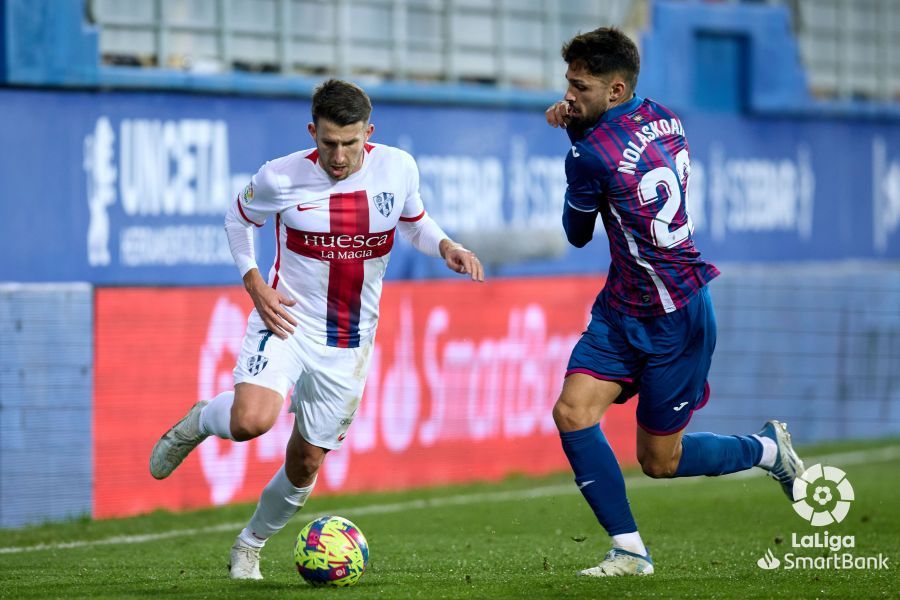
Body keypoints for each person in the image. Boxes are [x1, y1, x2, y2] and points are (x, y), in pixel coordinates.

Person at [149, 78, 484, 580]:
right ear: (313, 132)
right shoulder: (278, 177)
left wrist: (446, 246)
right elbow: (237, 220)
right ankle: (201, 420)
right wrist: (255, 283)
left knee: (306, 461)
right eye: (329, 143)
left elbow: (413, 220)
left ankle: (250, 545)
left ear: (368, 132)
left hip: (348, 339)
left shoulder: (397, 167)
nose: (340, 156)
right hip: (286, 319)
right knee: (250, 421)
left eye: (351, 143)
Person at [544, 27, 804, 577]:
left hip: (675, 316)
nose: (569, 96)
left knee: (660, 462)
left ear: (615, 90)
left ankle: (766, 451)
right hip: (623, 306)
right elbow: (623, 155)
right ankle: (629, 551)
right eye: (568, 83)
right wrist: (579, 125)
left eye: (580, 87)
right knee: (571, 412)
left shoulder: (590, 154)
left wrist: (571, 145)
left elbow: (575, 233)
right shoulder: (664, 116)